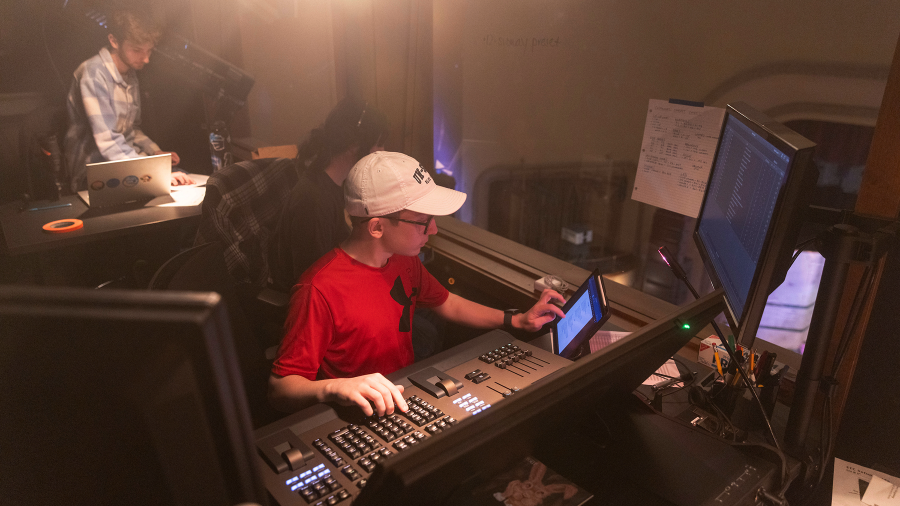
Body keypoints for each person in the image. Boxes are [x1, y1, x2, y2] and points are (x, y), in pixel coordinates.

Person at [268, 151, 566, 416]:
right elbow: (281, 388)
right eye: (423, 221)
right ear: (377, 227)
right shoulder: (318, 290)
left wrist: (517, 320)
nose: (433, 229)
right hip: (359, 412)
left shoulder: (403, 260)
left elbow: (447, 303)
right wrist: (335, 388)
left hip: (404, 393)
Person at [64, 9, 193, 192]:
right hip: (94, 173)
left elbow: (132, 129)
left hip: (125, 164)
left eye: (149, 50)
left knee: (186, 181)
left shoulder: (130, 75)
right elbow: (108, 143)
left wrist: (155, 152)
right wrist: (153, 172)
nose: (146, 59)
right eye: (137, 50)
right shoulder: (93, 74)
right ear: (114, 41)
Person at [269, 97, 388, 292]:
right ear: (354, 145)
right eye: (379, 145)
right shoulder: (313, 201)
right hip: (317, 299)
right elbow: (313, 285)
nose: (382, 153)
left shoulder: (339, 183)